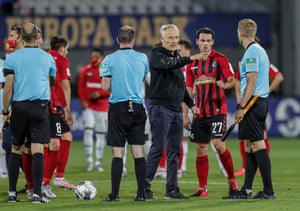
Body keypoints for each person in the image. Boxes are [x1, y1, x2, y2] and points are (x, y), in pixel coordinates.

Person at [144, 24, 200, 200]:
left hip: (176, 109)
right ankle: (144, 187)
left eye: (176, 38)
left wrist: (191, 104)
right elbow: (167, 65)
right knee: (158, 148)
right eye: (170, 38)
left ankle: (172, 189)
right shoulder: (157, 55)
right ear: (162, 40)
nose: (174, 41)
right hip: (160, 108)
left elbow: (180, 85)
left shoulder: (176, 57)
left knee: (174, 150)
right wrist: (190, 58)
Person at [3, 22, 56, 203]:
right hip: (40, 107)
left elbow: (8, 87)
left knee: (16, 149)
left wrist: (5, 110)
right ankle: (37, 194)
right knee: (37, 149)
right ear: (37, 36)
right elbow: (53, 80)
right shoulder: (47, 58)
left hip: (19, 106)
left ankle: (11, 193)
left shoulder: (12, 58)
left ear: (22, 38)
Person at [184, 27, 238, 199]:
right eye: (203, 41)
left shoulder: (220, 59)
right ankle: (202, 188)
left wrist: (226, 85)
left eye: (208, 41)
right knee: (201, 149)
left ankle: (232, 182)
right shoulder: (192, 63)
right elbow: (188, 89)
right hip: (199, 112)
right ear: (197, 42)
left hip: (217, 110)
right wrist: (186, 112)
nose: (205, 44)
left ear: (212, 42)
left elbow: (231, 79)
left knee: (218, 143)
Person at [100, 25, 149, 202]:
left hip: (118, 108)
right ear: (133, 40)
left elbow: (105, 87)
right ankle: (141, 193)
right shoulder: (143, 58)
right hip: (137, 107)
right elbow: (145, 79)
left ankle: (114, 194)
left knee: (118, 153)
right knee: (138, 152)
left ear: (117, 40)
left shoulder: (108, 59)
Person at [234, 18, 275, 199]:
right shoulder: (260, 50)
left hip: (253, 102)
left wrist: (241, 106)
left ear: (240, 33)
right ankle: (247, 190)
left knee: (257, 144)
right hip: (259, 101)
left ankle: (268, 191)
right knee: (250, 146)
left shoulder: (251, 52)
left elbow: (251, 81)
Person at [234, 62, 284, 177]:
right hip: (245, 102)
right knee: (244, 136)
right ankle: (245, 167)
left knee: (261, 136)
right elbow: (236, 80)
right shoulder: (244, 62)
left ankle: (262, 167)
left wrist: (267, 91)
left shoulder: (264, 63)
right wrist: (239, 99)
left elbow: (279, 76)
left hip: (257, 102)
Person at [49, 36, 75, 189]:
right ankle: (58, 177)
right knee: (66, 137)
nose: (67, 51)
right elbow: (65, 86)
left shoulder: (44, 55)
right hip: (55, 104)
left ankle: (35, 182)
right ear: (62, 48)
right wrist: (67, 109)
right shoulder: (61, 59)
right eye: (67, 48)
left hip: (41, 102)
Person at [78, 47, 110, 172]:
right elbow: (80, 87)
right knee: (88, 131)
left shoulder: (107, 70)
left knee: (101, 134)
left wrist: (100, 93)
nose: (94, 58)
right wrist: (83, 100)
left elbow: (111, 89)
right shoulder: (86, 70)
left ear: (102, 57)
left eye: (96, 56)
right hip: (89, 106)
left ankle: (98, 162)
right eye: (92, 56)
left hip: (102, 106)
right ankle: (90, 160)